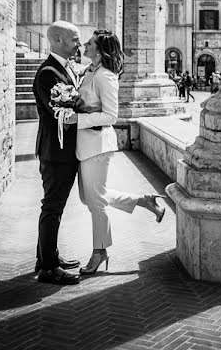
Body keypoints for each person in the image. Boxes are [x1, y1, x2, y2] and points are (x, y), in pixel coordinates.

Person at [64, 29, 166, 276]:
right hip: (85, 145)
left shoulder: (106, 76)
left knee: (95, 202)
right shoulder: (89, 71)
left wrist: (79, 118)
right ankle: (144, 201)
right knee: (89, 198)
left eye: (90, 43)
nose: (85, 45)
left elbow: (111, 115)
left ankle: (100, 251)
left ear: (99, 50)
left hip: (98, 145)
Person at [32, 21, 83, 285]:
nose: (79, 45)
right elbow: (63, 111)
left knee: (55, 207)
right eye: (75, 39)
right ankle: (48, 269)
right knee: (52, 207)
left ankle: (47, 257)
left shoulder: (61, 69)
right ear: (59, 40)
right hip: (55, 152)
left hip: (61, 151)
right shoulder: (48, 73)